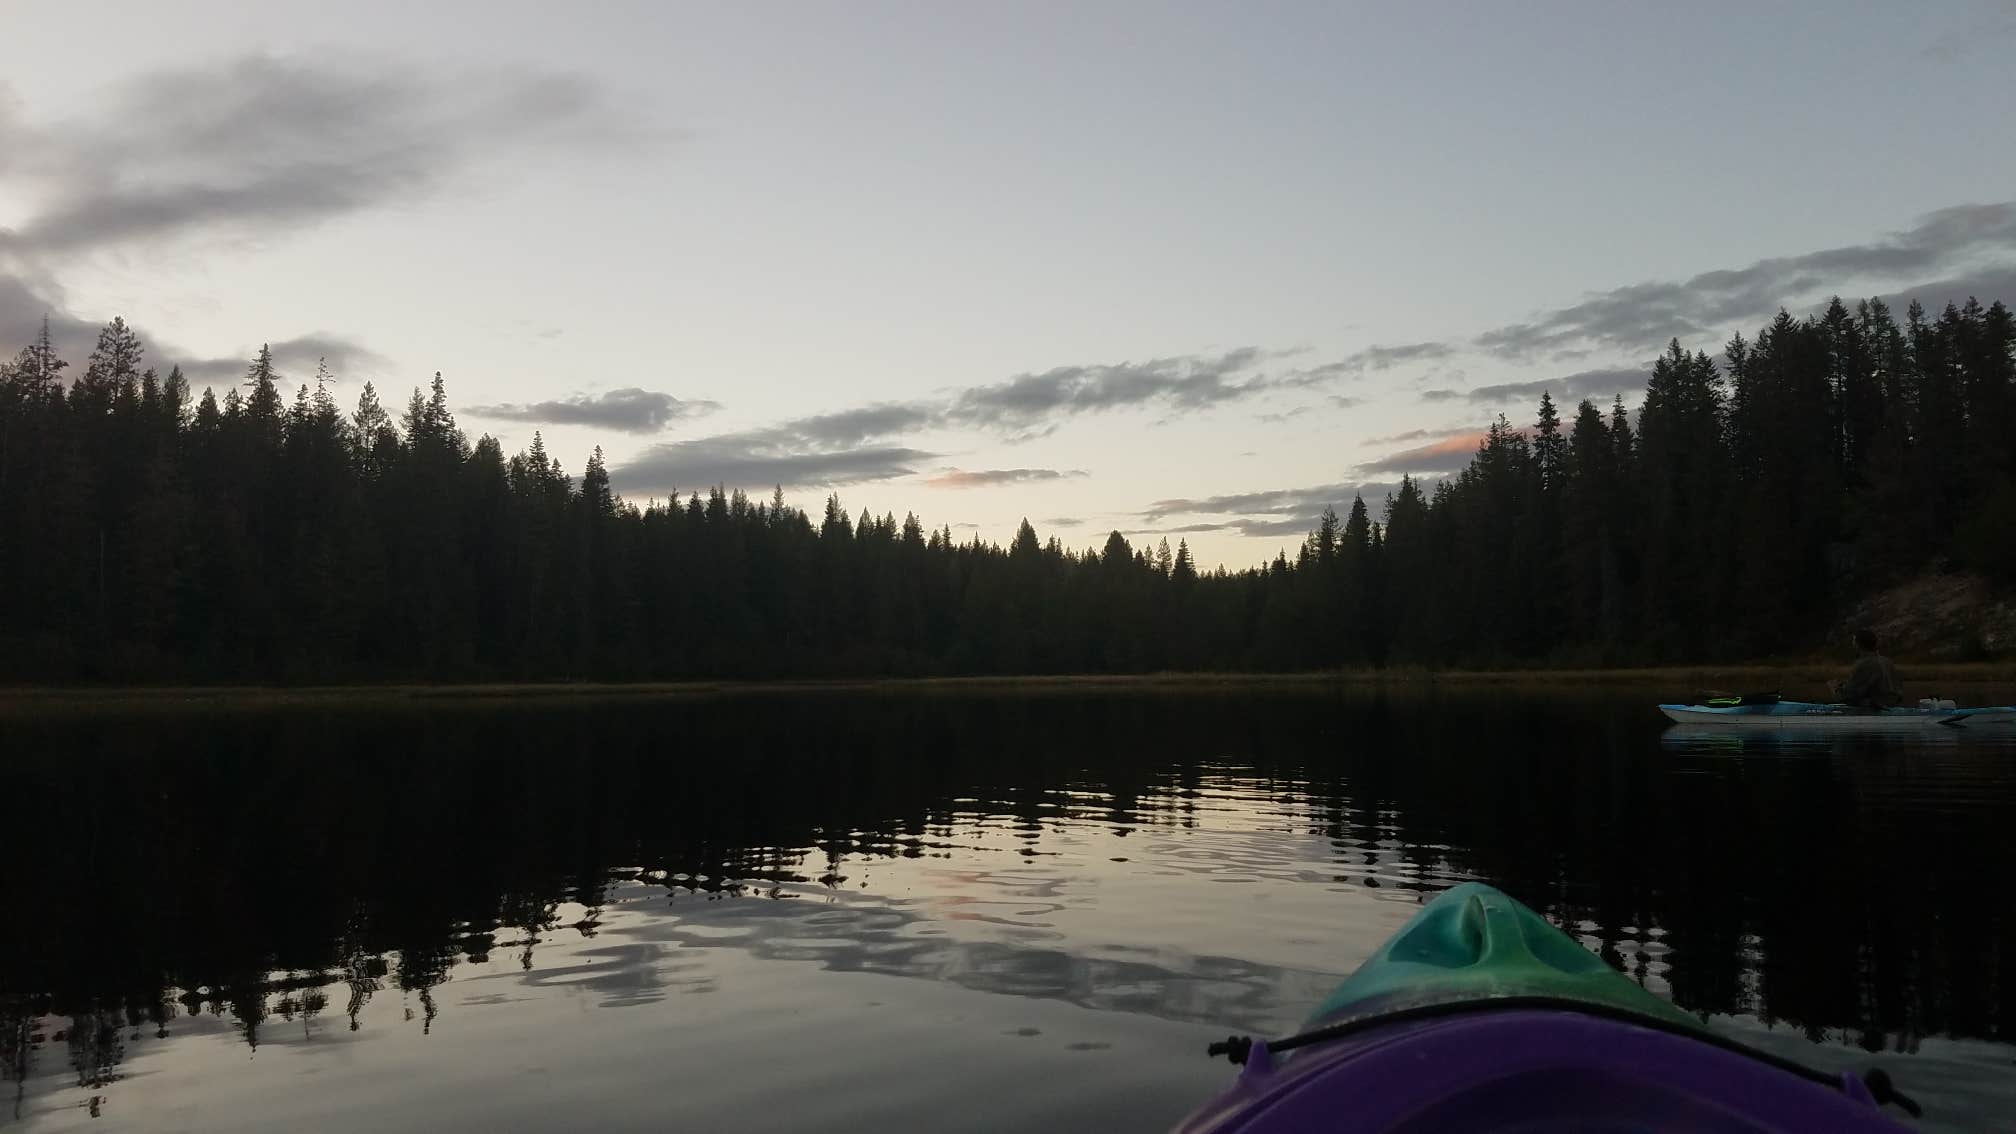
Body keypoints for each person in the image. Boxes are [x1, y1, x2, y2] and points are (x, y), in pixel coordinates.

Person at [1831, 629, 1902, 709]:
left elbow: (1849, 696)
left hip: (1876, 708)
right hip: (1892, 704)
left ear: (1857, 644)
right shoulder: (1887, 662)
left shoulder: (1863, 664)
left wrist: (1836, 689)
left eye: (1853, 640)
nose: (1852, 643)